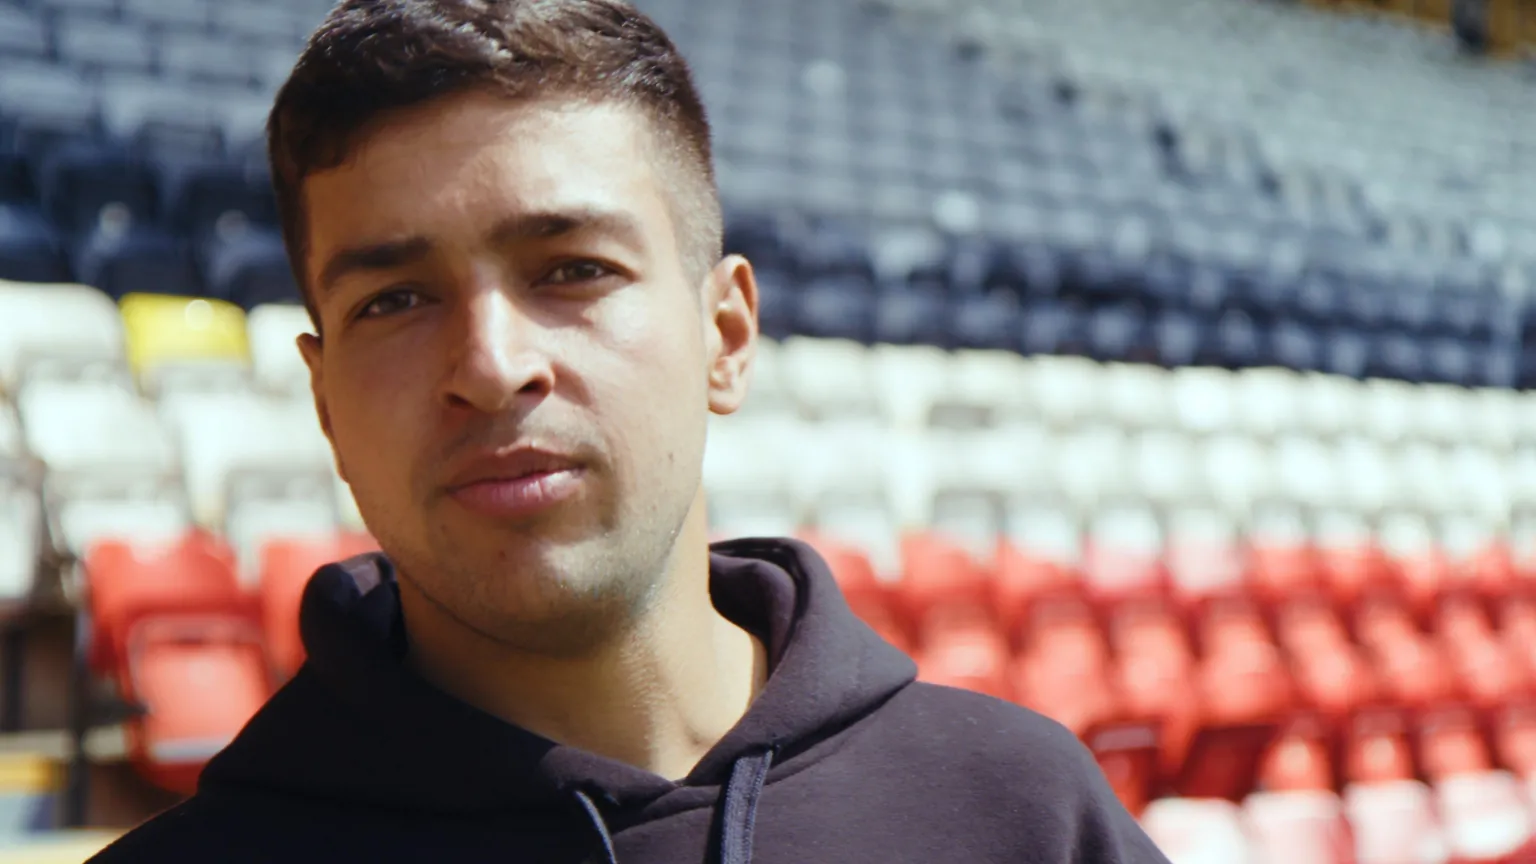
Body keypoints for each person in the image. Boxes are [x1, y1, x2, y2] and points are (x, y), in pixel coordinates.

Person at [90, 1, 1171, 861]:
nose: (491, 366)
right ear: (324, 404)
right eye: (394, 300)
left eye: (572, 270)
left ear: (725, 335)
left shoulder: (1021, 814)